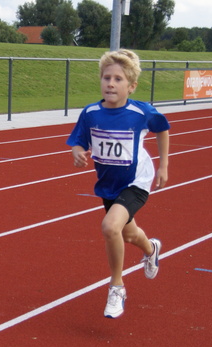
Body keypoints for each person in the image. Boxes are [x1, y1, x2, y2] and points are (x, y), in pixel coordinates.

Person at [66, 49, 170, 319]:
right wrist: (77, 151)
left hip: (137, 180)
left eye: (118, 79)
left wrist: (164, 166)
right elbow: (79, 140)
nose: (110, 83)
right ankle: (151, 249)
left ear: (131, 86)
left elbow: (163, 129)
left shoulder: (140, 112)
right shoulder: (90, 113)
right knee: (127, 234)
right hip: (109, 183)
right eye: (106, 77)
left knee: (110, 227)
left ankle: (117, 286)